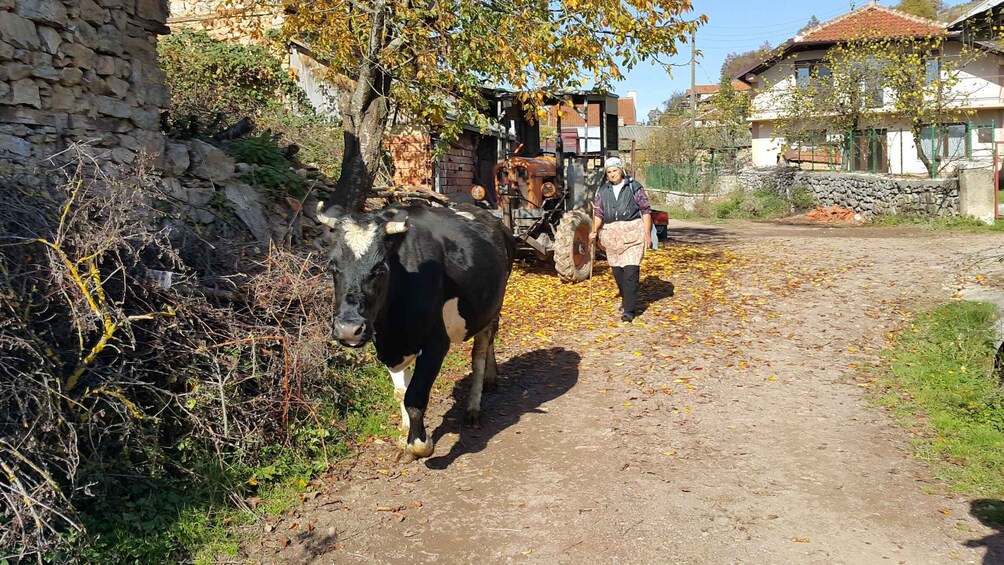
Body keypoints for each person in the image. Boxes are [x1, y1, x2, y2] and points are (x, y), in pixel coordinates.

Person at [589, 156, 652, 323]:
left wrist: (647, 234)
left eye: (614, 171)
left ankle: (629, 310)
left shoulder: (633, 187)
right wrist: (594, 230)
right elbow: (599, 214)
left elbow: (645, 210)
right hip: (612, 236)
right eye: (608, 172)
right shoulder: (603, 191)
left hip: (632, 233)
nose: (612, 174)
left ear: (621, 170)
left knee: (631, 271)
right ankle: (627, 299)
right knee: (618, 273)